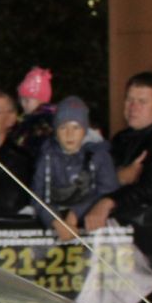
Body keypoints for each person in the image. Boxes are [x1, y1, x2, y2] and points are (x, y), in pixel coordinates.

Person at [83, 72, 152, 234]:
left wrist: (109, 201)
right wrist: (119, 177)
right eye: (129, 100)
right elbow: (92, 177)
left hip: (148, 231)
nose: (133, 107)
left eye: (142, 102)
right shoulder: (120, 139)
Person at [31, 96, 116, 240]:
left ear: (85, 130)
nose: (69, 134)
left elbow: (108, 190)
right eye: (63, 127)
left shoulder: (99, 155)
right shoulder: (47, 157)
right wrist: (55, 222)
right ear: (55, 131)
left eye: (76, 127)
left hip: (91, 227)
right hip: (57, 223)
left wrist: (76, 214)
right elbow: (37, 195)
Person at [15, 66, 57, 157]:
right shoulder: (23, 119)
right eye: (21, 99)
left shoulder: (45, 122)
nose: (23, 104)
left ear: (41, 100)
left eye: (27, 100)